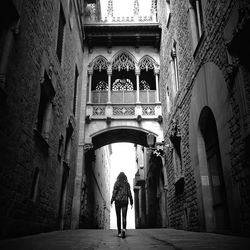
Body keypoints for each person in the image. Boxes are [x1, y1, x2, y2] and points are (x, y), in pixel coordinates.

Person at [111, 172, 133, 238]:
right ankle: (123, 230)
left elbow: (114, 192)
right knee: (124, 217)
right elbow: (129, 193)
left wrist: (112, 200)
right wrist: (131, 202)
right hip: (124, 201)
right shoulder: (127, 184)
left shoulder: (116, 183)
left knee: (118, 217)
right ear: (125, 177)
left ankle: (119, 233)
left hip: (117, 202)